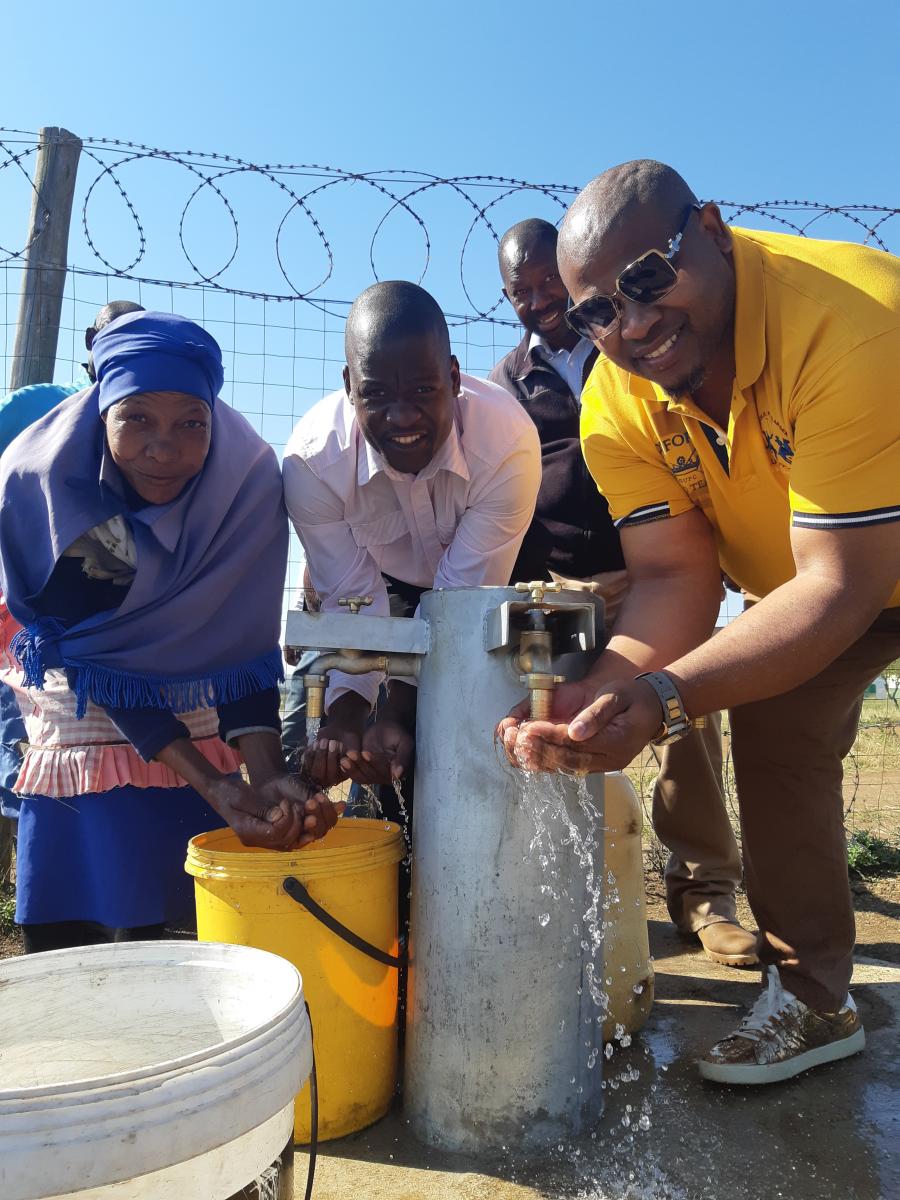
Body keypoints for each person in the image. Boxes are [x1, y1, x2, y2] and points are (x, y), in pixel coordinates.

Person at [500, 160, 900, 1085]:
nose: (631, 324)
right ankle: (813, 1002)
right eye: (598, 310)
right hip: (817, 571)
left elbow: (843, 583)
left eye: (647, 278)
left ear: (712, 230)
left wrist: (667, 698)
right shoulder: (615, 398)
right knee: (773, 719)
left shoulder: (850, 323)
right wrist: (597, 700)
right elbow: (675, 576)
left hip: (853, 559)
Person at [0, 310, 337, 953]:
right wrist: (216, 786)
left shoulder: (242, 486)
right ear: (102, 413)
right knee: (91, 960)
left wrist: (264, 776)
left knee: (192, 955)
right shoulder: (62, 495)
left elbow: (239, 647)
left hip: (200, 738)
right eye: (137, 420)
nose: (163, 448)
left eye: (191, 423)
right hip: (91, 734)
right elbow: (102, 660)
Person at [490, 219, 754, 967]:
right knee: (550, 722)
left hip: (655, 569)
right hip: (558, 587)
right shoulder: (508, 384)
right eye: (521, 293)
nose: (538, 303)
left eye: (550, 285)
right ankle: (558, 895)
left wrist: (713, 553)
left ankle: (704, 894)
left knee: (680, 712)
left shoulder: (643, 348)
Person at [283, 280, 541, 795]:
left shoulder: (507, 444)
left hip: (493, 576)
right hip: (388, 580)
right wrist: (348, 719)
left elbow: (460, 601)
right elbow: (351, 596)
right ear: (349, 387)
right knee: (371, 769)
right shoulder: (314, 462)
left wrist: (399, 709)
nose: (402, 418)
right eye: (376, 394)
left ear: (453, 377)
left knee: (466, 747)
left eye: (424, 391)